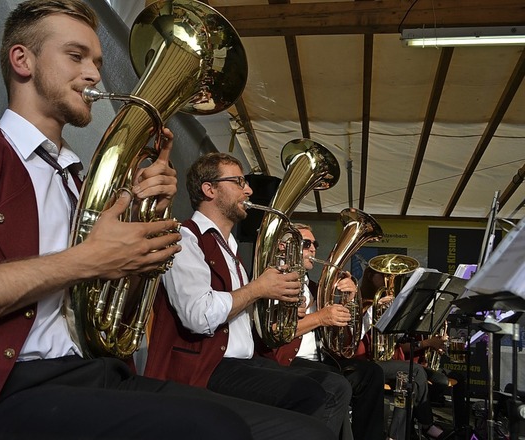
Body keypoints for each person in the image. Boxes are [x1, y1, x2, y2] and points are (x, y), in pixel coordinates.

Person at [0, 2, 336, 439]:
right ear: (22, 60)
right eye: (76, 56)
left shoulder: (81, 185)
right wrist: (87, 259)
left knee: (305, 429)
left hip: (92, 372)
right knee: (220, 428)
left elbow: (112, 312)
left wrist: (146, 230)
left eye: (97, 61)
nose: (95, 74)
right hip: (3, 387)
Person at [145, 152, 350, 439]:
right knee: (311, 397)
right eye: (239, 181)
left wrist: (283, 312)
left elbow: (241, 312)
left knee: (333, 386)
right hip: (208, 368)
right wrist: (258, 289)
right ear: (210, 189)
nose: (249, 190)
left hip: (241, 362)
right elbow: (199, 316)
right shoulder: (186, 238)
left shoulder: (229, 247)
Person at [270, 223, 386, 440]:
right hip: (288, 361)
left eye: (315, 244)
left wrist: (351, 301)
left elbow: (346, 342)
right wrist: (321, 317)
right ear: (284, 248)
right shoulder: (275, 281)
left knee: (371, 373)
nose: (313, 249)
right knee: (335, 381)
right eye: (306, 244)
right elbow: (275, 332)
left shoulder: (316, 288)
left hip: (322, 358)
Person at [359, 266, 451, 440]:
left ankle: (397, 435)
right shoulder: (362, 302)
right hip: (368, 362)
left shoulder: (393, 304)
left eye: (392, 276)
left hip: (391, 360)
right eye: (385, 275)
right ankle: (426, 424)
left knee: (407, 381)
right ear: (371, 276)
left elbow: (399, 340)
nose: (389, 280)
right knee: (415, 372)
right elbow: (356, 335)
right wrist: (374, 309)